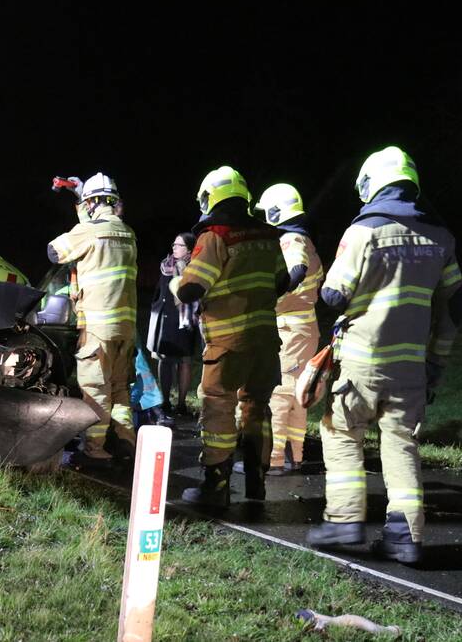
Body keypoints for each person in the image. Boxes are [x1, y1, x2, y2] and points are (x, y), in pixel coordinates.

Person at [306, 147, 459, 564]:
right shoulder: (441, 237)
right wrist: (435, 366)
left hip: (362, 360)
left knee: (340, 433)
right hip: (410, 365)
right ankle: (405, 536)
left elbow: (334, 294)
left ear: (373, 184)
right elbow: (452, 307)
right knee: (400, 445)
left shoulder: (364, 230)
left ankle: (344, 521)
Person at [175, 166, 287, 507]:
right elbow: (283, 281)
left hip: (228, 342)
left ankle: (216, 485)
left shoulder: (215, 236)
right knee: (256, 407)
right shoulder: (268, 236)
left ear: (211, 197)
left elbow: (192, 287)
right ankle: (256, 481)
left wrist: (180, 282)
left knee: (218, 405)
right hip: (266, 340)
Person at [47, 172, 138, 467]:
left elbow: (54, 251)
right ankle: (125, 442)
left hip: (98, 328)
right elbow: (96, 229)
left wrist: (80, 206)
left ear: (93, 203)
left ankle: (95, 451)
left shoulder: (89, 232)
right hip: (126, 328)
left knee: (96, 389)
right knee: (120, 387)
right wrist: (80, 199)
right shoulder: (128, 233)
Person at [252, 183, 323, 475]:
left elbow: (296, 270)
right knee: (297, 394)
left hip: (290, 327)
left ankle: (274, 459)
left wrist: (272, 292)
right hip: (304, 326)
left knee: (279, 392)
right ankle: (296, 455)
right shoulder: (304, 238)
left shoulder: (291, 239)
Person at [148, 232, 198, 417]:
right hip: (165, 317)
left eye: (179, 245)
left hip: (185, 320)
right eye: (174, 244)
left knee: (184, 361)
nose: (174, 248)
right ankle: (165, 400)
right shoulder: (165, 265)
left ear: (190, 249)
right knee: (164, 360)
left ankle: (182, 403)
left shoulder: (194, 267)